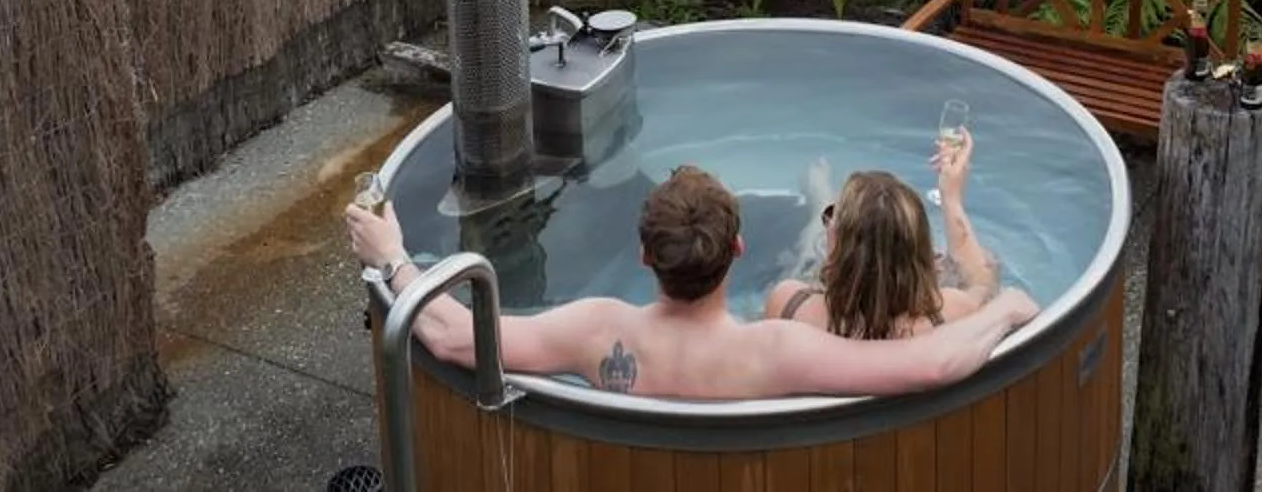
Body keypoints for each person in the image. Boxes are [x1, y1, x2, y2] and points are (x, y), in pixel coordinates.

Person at [343, 164, 1034, 400]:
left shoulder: (597, 330)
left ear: (645, 258)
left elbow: (452, 337)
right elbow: (933, 362)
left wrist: (393, 256)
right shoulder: (776, 349)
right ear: (737, 250)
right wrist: (1005, 309)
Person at [766, 132, 1001, 338]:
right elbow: (982, 282)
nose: (828, 225)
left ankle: (819, 200)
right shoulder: (947, 314)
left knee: (807, 259)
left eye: (831, 216)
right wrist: (951, 197)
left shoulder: (791, 305)